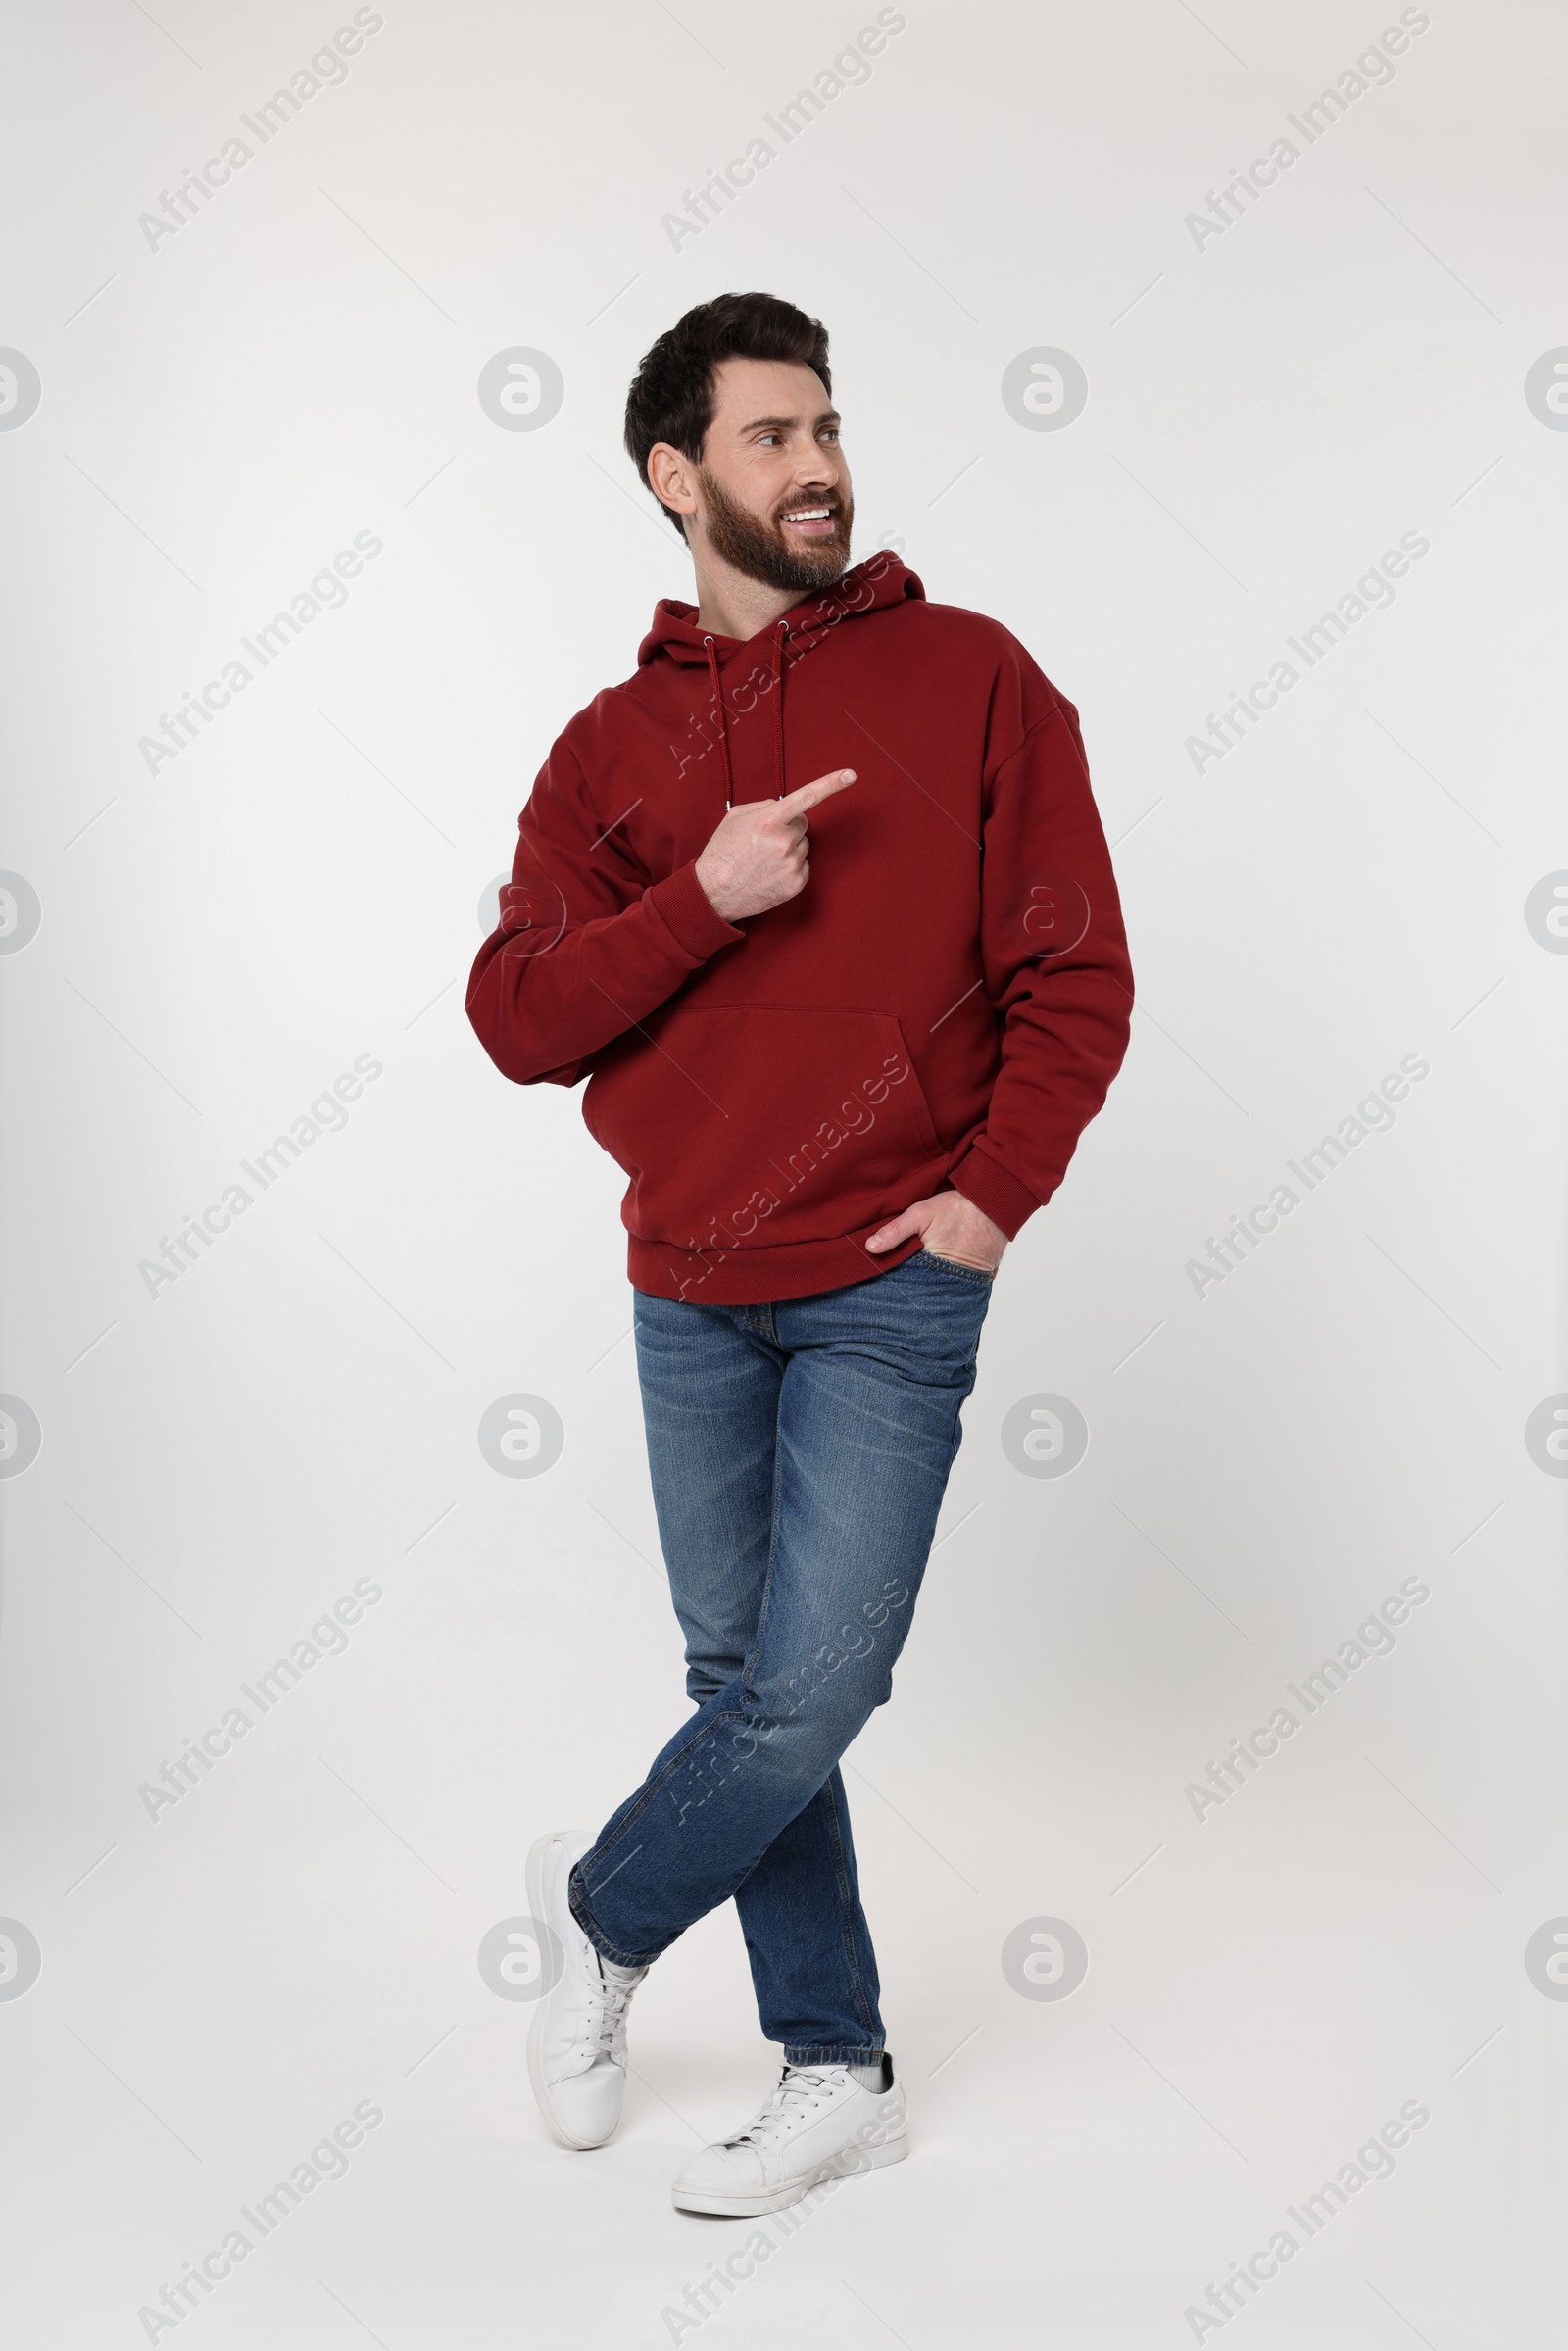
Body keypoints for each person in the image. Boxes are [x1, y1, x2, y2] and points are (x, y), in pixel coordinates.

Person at [466, 291, 1132, 2216]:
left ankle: (597, 1918)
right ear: (672, 478)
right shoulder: (609, 750)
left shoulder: (972, 680)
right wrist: (700, 897)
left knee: (807, 1688)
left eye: (825, 425)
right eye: (768, 436)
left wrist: (989, 1201)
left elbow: (1067, 971)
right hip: (684, 1283)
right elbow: (517, 1018)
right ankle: (833, 2062)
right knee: (746, 1681)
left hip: (884, 1283)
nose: (818, 462)